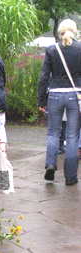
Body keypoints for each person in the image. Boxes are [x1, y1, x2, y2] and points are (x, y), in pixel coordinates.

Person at [37, 19, 81, 186]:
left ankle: (50, 163)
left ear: (60, 32)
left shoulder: (51, 49)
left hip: (54, 95)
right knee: (72, 136)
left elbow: (44, 77)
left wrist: (41, 99)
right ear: (74, 31)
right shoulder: (79, 49)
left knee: (53, 133)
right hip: (74, 96)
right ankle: (70, 177)